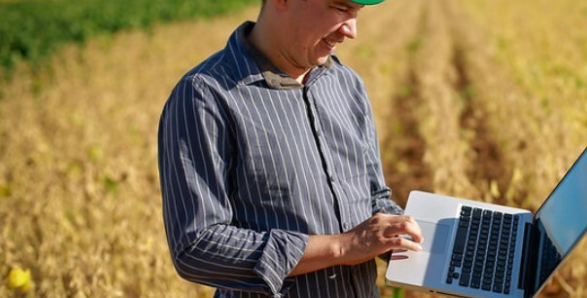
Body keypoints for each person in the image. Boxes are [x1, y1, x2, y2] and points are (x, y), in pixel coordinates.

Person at [157, 0, 423, 296]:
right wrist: (340, 247)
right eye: (340, 9)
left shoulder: (347, 84)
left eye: (356, 14)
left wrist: (421, 249)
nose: (351, 31)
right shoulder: (204, 96)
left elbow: (373, 199)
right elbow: (196, 247)